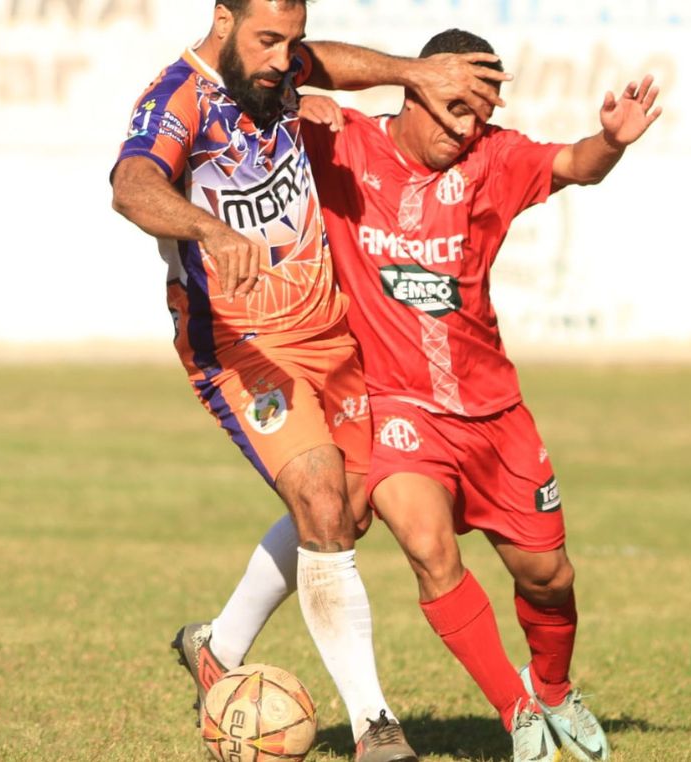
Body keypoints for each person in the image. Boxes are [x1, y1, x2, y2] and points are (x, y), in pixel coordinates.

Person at [109, 3, 507, 760]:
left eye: (291, 43)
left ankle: (217, 648)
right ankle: (375, 727)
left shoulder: (280, 65)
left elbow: (324, 61)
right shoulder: (177, 99)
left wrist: (407, 71)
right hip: (242, 344)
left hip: (327, 328)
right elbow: (132, 187)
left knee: (347, 513)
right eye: (267, 41)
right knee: (321, 496)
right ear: (223, 19)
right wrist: (208, 229)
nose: (282, 59)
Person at [294, 28, 663, 762]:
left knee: (547, 577)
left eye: (481, 111)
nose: (466, 127)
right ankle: (516, 710)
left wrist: (611, 141)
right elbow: (281, 65)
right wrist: (309, 95)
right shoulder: (343, 145)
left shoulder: (494, 158)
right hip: (400, 412)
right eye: (455, 106)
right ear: (417, 88)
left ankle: (554, 689)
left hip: (494, 417)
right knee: (429, 550)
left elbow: (575, 165)